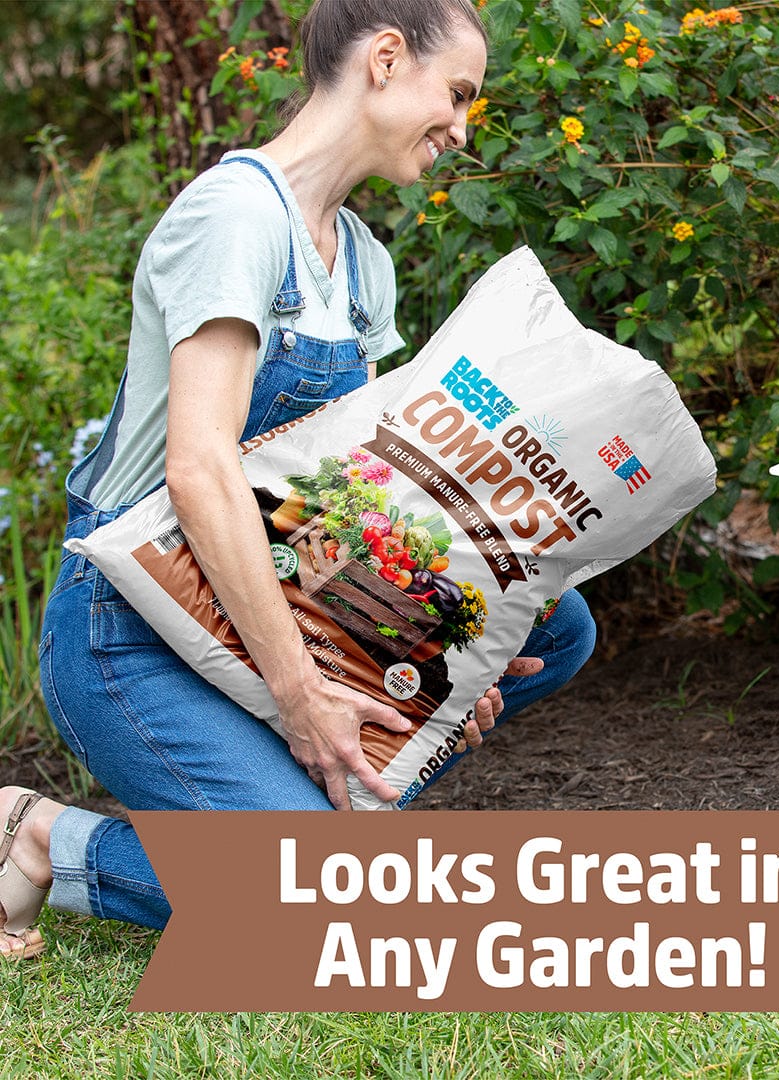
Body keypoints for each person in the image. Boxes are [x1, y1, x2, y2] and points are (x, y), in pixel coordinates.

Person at [0, 0, 595, 960]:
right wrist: (302, 696)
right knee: (326, 901)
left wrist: (447, 667)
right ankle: (42, 837)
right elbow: (199, 472)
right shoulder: (237, 215)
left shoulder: (362, 263)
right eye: (457, 94)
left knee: (552, 628)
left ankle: (323, 819)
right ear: (387, 59)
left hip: (272, 599)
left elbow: (355, 501)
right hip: (133, 628)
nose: (461, 126)